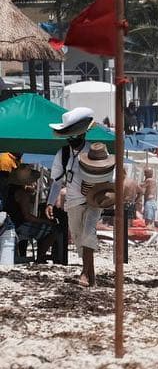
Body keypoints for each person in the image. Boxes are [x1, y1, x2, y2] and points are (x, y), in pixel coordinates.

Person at [47, 107, 101, 286]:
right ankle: (90, 275)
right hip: (72, 201)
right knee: (78, 237)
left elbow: (109, 175)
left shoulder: (95, 151)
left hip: (93, 200)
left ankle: (85, 275)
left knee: (88, 233)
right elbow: (56, 180)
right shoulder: (62, 154)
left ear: (83, 134)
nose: (73, 140)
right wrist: (49, 202)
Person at [9, 165, 59, 263]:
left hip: (11, 223)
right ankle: (40, 256)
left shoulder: (10, 190)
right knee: (53, 229)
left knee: (42, 227)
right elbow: (27, 217)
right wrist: (46, 221)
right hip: (18, 225)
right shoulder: (22, 194)